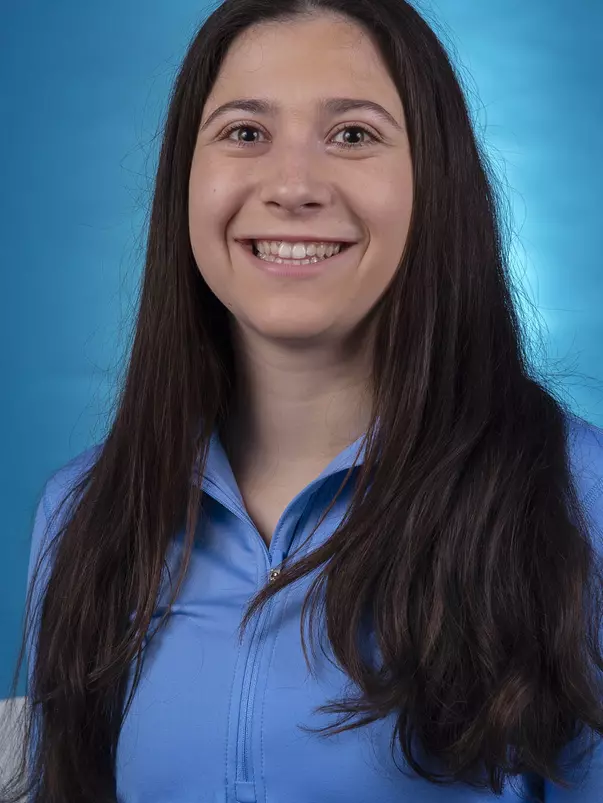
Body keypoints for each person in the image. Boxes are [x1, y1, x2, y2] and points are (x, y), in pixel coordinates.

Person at [2, 0, 603, 801]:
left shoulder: (576, 494)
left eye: (352, 134)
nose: (292, 186)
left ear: (434, 176)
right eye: (245, 132)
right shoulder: (82, 512)